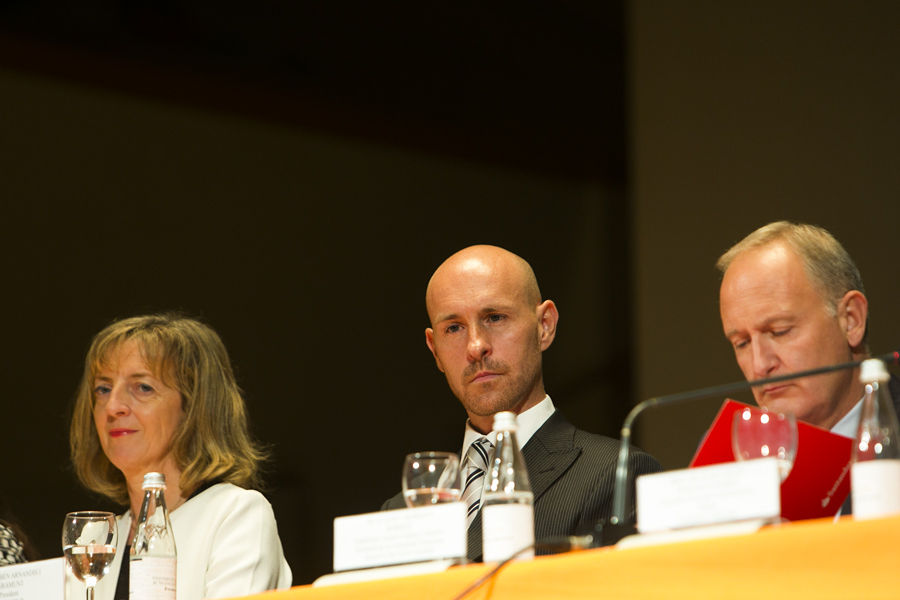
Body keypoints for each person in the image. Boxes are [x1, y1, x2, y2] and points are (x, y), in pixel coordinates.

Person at [383, 245, 660, 560]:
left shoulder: (613, 474)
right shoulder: (397, 514)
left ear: (545, 326)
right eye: (454, 328)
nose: (476, 346)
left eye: (495, 317)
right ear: (435, 350)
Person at [69, 314, 291, 600]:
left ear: (195, 406)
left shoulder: (235, 516)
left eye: (143, 387)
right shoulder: (92, 541)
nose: (113, 407)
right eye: (103, 389)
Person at [717, 221, 900, 436]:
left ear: (851, 319)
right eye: (742, 343)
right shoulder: (729, 461)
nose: (760, 366)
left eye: (780, 331)